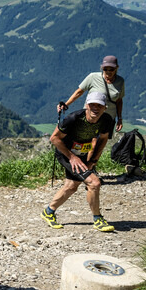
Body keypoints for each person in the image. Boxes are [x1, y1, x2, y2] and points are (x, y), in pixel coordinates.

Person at [43, 90, 116, 232]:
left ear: (105, 108)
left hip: (82, 154)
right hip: (65, 152)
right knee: (94, 183)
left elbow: (103, 139)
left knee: (71, 186)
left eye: (99, 105)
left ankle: (48, 212)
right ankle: (98, 219)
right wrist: (72, 157)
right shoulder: (74, 118)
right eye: (92, 104)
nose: (95, 108)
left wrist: (93, 159)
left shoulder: (107, 120)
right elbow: (54, 139)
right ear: (87, 105)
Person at [58, 55, 125, 132]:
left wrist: (119, 119)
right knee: (84, 139)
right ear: (102, 68)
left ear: (116, 68)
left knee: (102, 141)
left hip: (108, 118)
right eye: (105, 69)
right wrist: (66, 105)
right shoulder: (93, 77)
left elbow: (119, 101)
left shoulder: (120, 81)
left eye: (111, 69)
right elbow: (79, 92)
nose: (108, 71)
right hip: (90, 117)